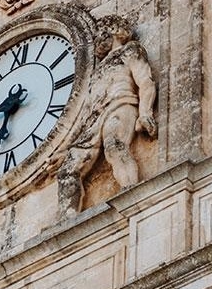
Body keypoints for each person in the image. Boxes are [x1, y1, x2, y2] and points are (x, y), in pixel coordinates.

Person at [56, 15, 157, 219]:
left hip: (121, 105)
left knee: (114, 146)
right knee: (67, 170)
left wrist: (145, 112)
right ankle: (66, 222)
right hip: (94, 120)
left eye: (102, 31)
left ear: (115, 31)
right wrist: (65, 147)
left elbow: (146, 81)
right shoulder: (98, 69)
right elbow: (86, 109)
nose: (98, 38)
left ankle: (130, 192)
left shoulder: (130, 51)